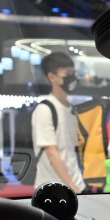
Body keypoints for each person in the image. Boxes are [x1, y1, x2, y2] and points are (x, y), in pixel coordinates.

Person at [32, 52, 85, 193]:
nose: (72, 78)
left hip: (76, 184)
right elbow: (52, 152)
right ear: (52, 77)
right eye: (67, 74)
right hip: (53, 188)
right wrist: (72, 187)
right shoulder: (45, 109)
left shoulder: (71, 108)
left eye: (73, 73)